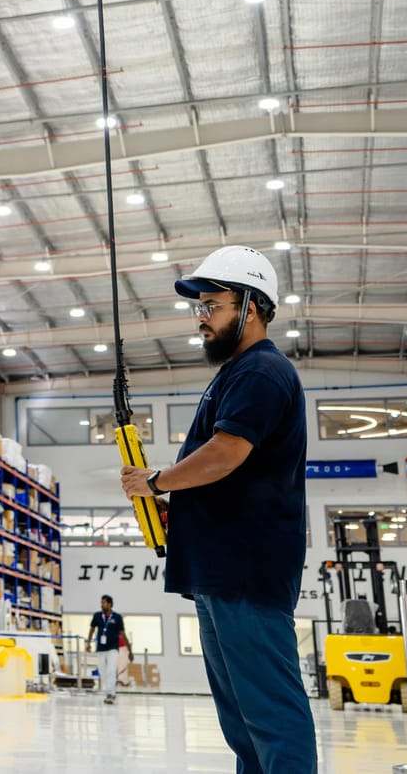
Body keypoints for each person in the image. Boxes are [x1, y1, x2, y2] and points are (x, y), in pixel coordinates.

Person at [121, 246, 312, 774]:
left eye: (212, 306)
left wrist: (156, 481)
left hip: (244, 571)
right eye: (199, 308)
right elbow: (225, 474)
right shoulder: (236, 374)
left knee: (270, 711)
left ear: (250, 306)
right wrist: (174, 509)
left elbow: (227, 453)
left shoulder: (262, 372)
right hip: (220, 571)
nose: (201, 319)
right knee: (241, 717)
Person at [87, 594, 132, 703]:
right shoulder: (97, 616)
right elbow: (92, 629)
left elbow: (122, 633)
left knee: (111, 670)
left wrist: (130, 650)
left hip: (113, 648)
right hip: (101, 649)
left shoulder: (117, 617)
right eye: (101, 602)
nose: (102, 604)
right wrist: (88, 643)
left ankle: (110, 694)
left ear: (110, 604)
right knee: (103, 672)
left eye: (104, 602)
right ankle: (109, 691)